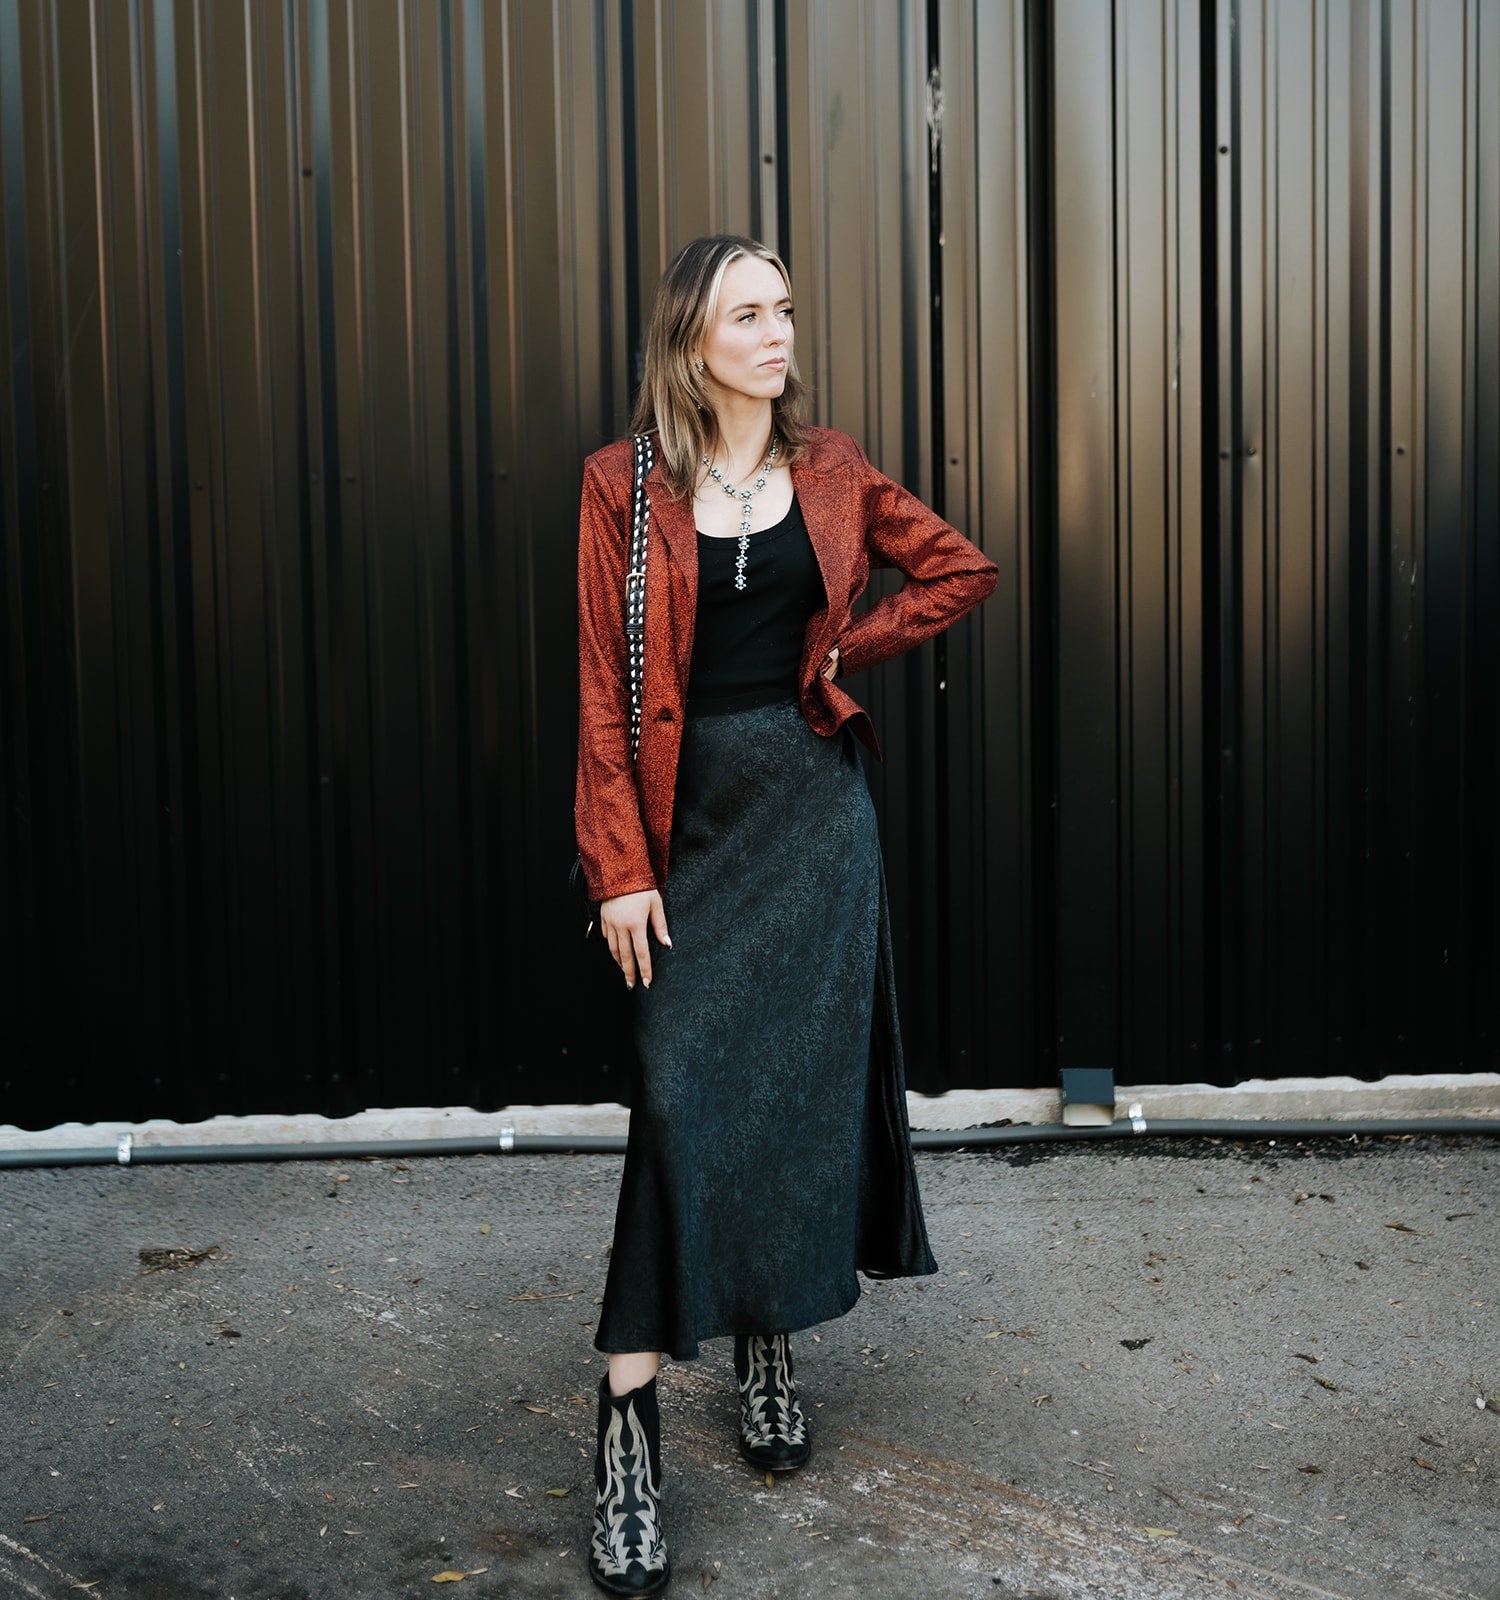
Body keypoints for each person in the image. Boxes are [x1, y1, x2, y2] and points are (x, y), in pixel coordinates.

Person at [573, 234, 998, 1595]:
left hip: (815, 823)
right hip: (683, 829)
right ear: (691, 340)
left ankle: (766, 1341)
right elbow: (600, 692)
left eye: (784, 311)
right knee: (681, 1100)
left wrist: (842, 648)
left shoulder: (834, 469)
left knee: (789, 1095)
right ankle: (625, 1425)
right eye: (748, 314)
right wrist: (618, 867)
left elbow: (960, 570)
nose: (777, 335)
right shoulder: (623, 484)